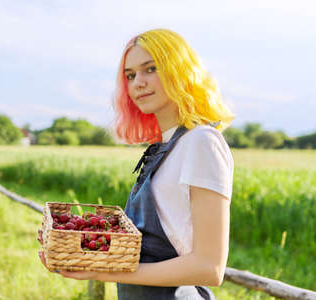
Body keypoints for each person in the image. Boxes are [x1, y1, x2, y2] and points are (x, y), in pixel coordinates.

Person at [39, 28, 234, 300]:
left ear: (179, 70)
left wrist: (103, 272)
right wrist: (88, 256)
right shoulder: (165, 147)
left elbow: (209, 266)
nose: (137, 83)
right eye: (130, 75)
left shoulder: (202, 141)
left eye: (150, 69)